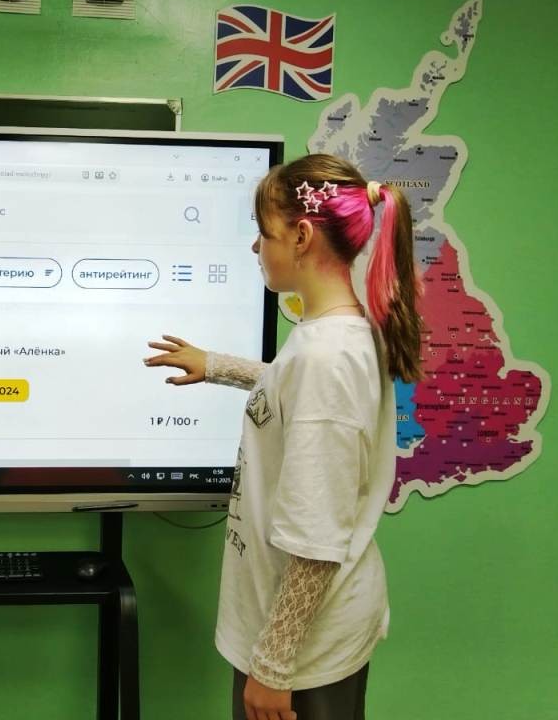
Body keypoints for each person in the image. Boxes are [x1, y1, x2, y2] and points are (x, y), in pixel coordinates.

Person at [144, 154, 422, 720]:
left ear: (301, 237)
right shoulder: (334, 333)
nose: (255, 247)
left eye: (264, 233)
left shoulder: (327, 357)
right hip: (297, 638)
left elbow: (317, 534)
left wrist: (272, 667)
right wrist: (217, 364)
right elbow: (293, 388)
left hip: (300, 655)